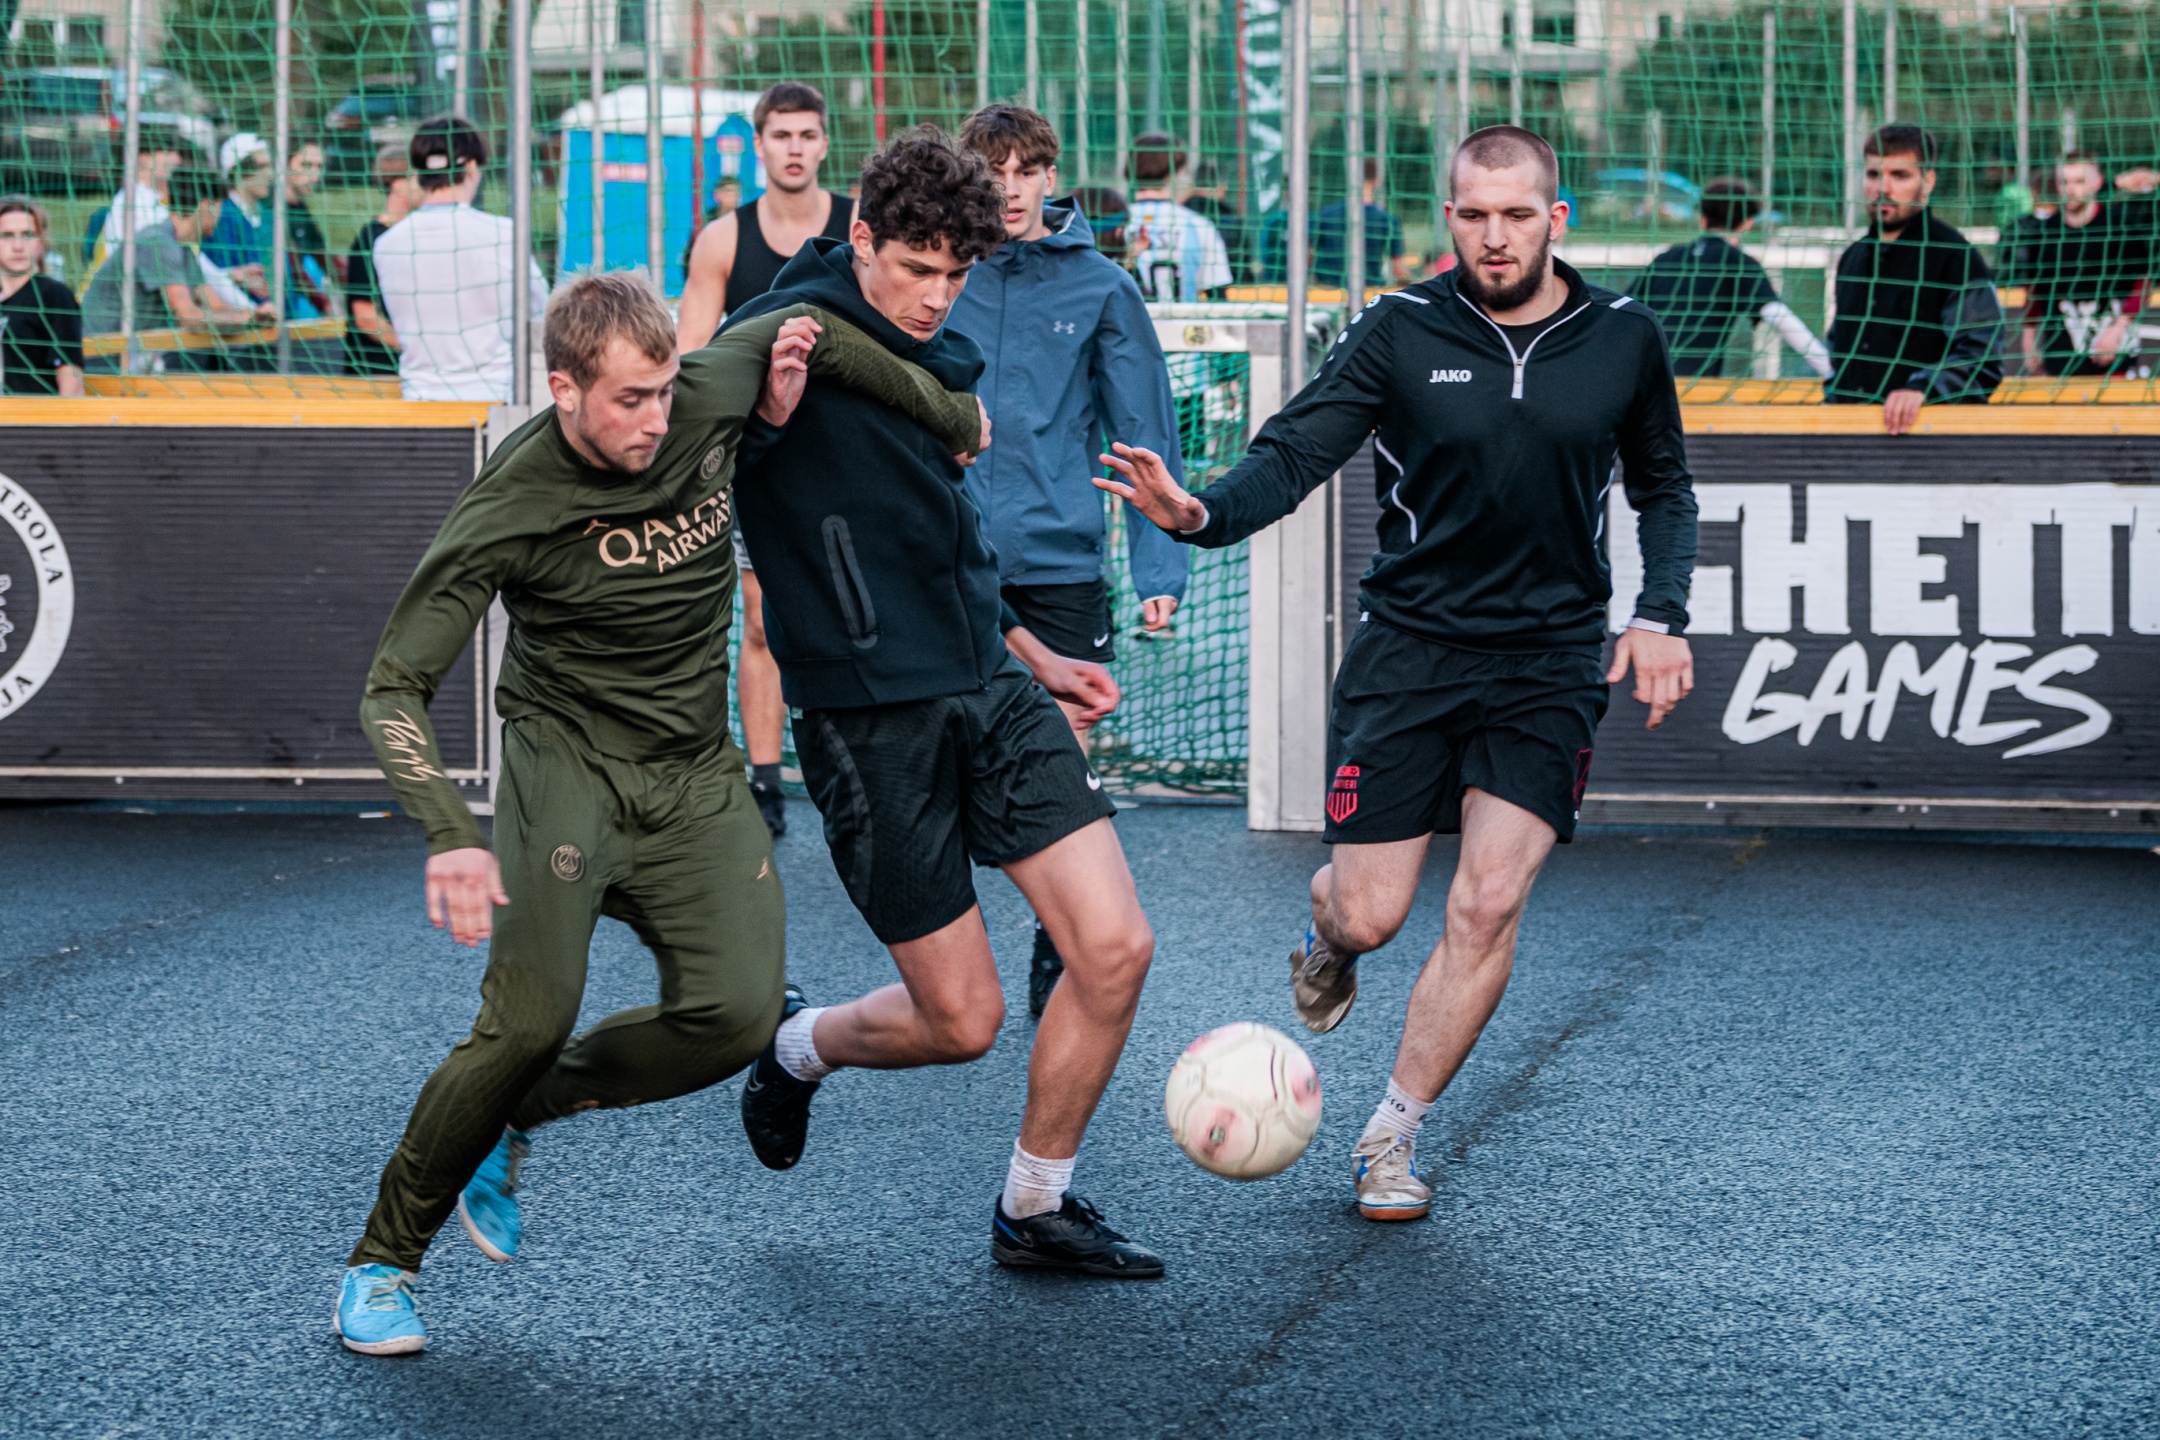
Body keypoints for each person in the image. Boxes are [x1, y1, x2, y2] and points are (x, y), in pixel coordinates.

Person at [331, 270, 985, 1357]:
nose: (655, 418)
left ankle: (515, 1113)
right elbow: (393, 687)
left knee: (738, 1018)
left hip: (692, 773)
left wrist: (951, 413)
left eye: (666, 391)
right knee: (528, 1021)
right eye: (629, 400)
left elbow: (812, 331)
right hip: (568, 769)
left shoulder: (705, 392)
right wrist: (448, 832)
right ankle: (383, 1262)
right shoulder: (512, 498)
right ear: (565, 391)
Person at [1098, 125, 1698, 1225]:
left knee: (1489, 901)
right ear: (1450, 218)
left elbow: (1664, 485)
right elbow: (1292, 454)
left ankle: (1390, 1138)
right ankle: (1326, 935)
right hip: (1410, 653)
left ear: (1556, 219)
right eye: (1475, 215)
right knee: (1371, 914)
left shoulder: (1623, 335)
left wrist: (1660, 613)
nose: (1496, 236)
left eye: (1518, 215)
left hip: (1551, 661)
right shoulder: (1401, 327)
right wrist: (1197, 515)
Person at [726, 128, 1165, 1279]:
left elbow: (949, 536)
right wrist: (766, 422)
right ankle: (797, 1047)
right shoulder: (779, 337)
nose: (936, 297)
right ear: (861, 237)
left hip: (990, 683)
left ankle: (1035, 1204)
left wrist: (1032, 653)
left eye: (956, 275)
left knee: (1115, 948)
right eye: (917, 269)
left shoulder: (938, 365)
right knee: (962, 1022)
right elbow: (691, 453)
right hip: (869, 719)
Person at [951, 104, 1190, 1018]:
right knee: (944, 764)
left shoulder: (1102, 287)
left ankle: (1059, 947)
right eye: (993, 171)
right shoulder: (941, 274)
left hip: (1058, 563)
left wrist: (1159, 568)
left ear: (1051, 177)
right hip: (948, 562)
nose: (1009, 188)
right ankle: (949, 962)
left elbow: (1142, 433)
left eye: (1026, 170)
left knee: (1061, 757)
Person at [676, 80, 856, 838]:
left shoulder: (859, 227)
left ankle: (861, 766)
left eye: (807, 135)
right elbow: (691, 358)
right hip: (762, 461)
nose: (795, 148)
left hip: (849, 459)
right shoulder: (724, 240)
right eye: (781, 135)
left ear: (824, 142)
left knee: (857, 614)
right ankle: (766, 780)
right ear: (759, 146)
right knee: (759, 623)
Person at [1826, 124, 2003, 433]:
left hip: (1928, 443)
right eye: (1874, 175)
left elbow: (1982, 357)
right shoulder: (1852, 258)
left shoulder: (1955, 257)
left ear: (1928, 181)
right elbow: (1837, 353)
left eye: (1900, 175)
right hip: (1849, 440)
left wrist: (1924, 389)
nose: (1883, 188)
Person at [371, 115, 549, 402]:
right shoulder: (504, 234)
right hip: (496, 400)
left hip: (420, 400)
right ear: (471, 168)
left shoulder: (386, 245)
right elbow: (540, 310)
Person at [79, 164, 275, 371]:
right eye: (219, 208)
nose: (219, 218)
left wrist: (258, 315)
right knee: (198, 352)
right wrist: (246, 318)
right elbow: (188, 316)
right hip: (101, 357)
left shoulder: (182, 248)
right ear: (206, 206)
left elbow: (215, 306)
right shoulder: (158, 242)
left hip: (129, 355)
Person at [1636, 177, 1830, 379]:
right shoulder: (1739, 264)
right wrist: (1829, 370)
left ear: (1703, 219)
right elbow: (1780, 317)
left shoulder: (1666, 258)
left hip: (1642, 378)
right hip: (1694, 383)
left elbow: (1625, 308)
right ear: (1748, 223)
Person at [2011, 152, 2148, 377]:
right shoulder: (2044, 234)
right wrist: (2029, 338)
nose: (2071, 189)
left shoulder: (2120, 228)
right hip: (2062, 355)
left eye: (2079, 181)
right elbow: (2034, 289)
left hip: (2113, 351)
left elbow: (2142, 284)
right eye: (2064, 182)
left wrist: (2118, 329)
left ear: (2097, 183)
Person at [1125, 132, 1232, 302]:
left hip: (1129, 319)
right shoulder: (1199, 225)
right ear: (1175, 174)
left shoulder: (1114, 224)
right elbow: (1218, 296)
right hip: (1182, 317)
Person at [345, 144, 417, 378]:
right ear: (397, 183)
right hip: (374, 373)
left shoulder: (415, 237)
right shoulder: (371, 239)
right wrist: (417, 350)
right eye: (418, 178)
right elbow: (365, 317)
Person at [0, 196, 84, 395]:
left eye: (28, 234)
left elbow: (70, 375)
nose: (18, 246)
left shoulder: (53, 294)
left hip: (34, 413)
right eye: (7, 235)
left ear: (41, 240)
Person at [1312, 158, 1410, 294]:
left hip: (1326, 293)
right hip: (1369, 293)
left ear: (1349, 178)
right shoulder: (1387, 219)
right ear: (1377, 181)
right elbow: (1399, 269)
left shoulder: (1326, 214)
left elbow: (1309, 254)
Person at [204, 136, 273, 301]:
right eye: (261, 167)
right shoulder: (220, 219)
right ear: (238, 170)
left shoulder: (269, 217)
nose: (270, 174)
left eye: (270, 166)